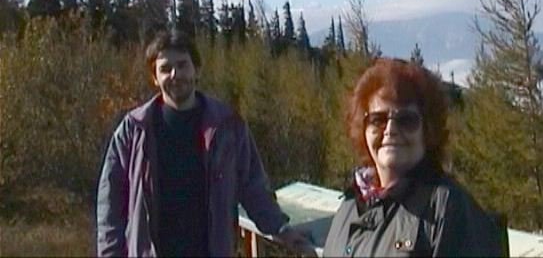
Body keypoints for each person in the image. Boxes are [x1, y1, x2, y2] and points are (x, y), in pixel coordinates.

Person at [96, 29, 316, 257]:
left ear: (196, 69)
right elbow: (110, 205)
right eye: (165, 69)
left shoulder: (227, 127)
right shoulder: (134, 130)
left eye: (182, 65)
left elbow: (253, 188)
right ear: (155, 77)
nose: (175, 74)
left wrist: (281, 229)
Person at [323, 58, 505, 257]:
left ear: (428, 130)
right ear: (363, 128)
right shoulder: (350, 206)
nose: (390, 130)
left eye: (406, 120)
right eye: (378, 120)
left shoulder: (449, 208)